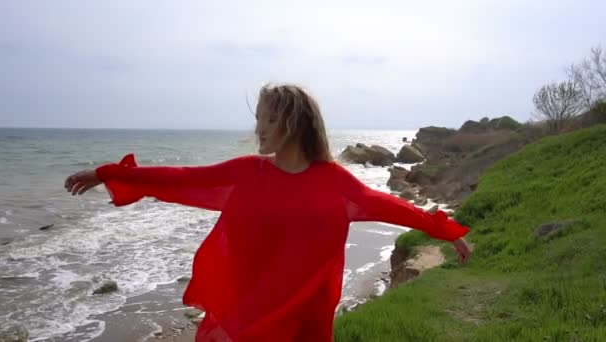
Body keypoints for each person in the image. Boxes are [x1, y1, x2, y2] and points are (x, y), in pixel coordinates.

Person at [64, 84, 471, 341]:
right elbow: (183, 176)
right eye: (258, 118)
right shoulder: (246, 173)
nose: (259, 128)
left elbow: (391, 206)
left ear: (293, 124)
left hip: (306, 316)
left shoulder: (335, 182)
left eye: (268, 118)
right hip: (252, 310)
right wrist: (109, 173)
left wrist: (446, 230)